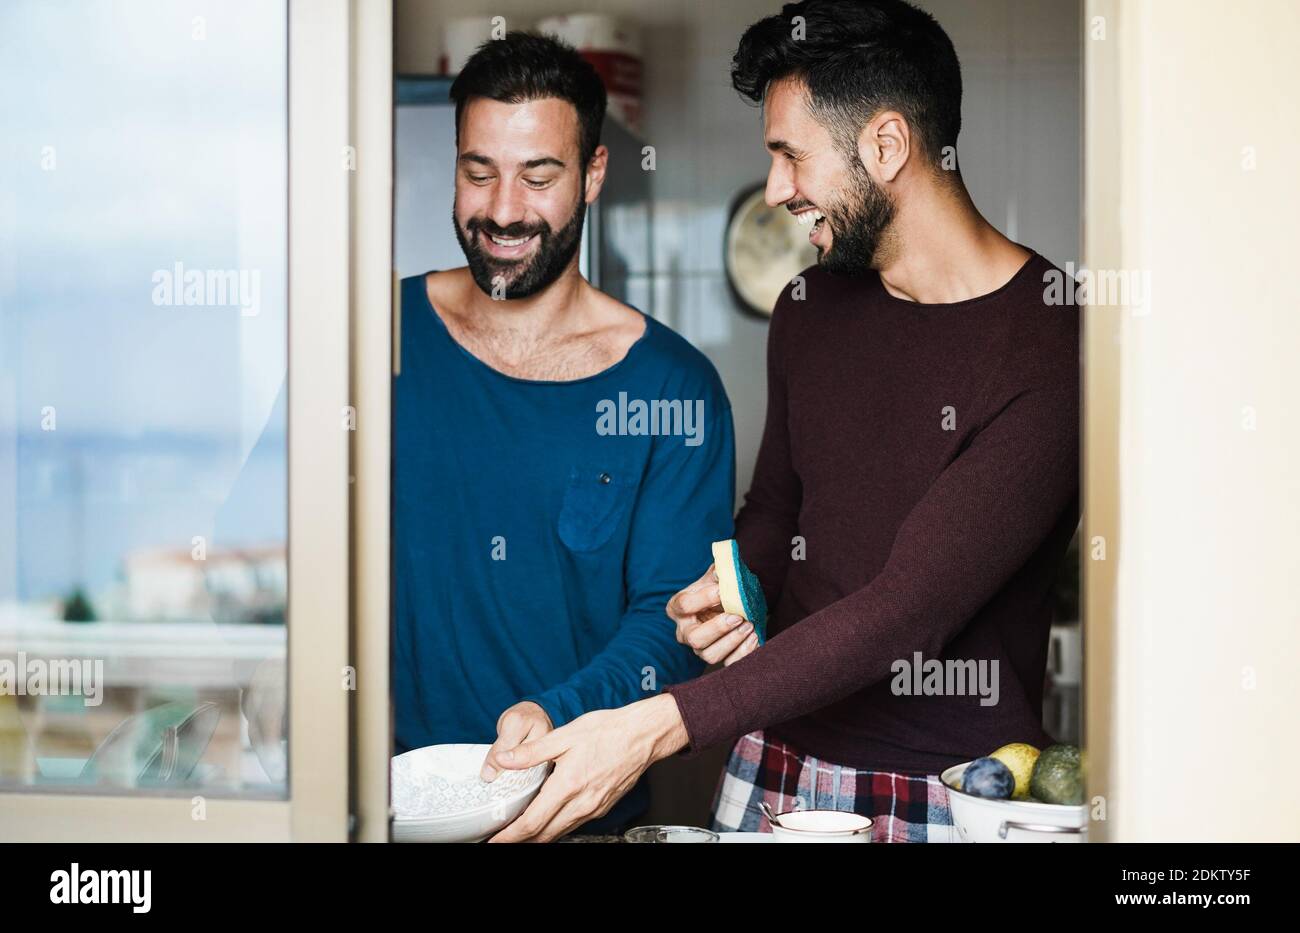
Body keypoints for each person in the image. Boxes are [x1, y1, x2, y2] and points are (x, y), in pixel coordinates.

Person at [490, 0, 1078, 843]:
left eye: (789, 155)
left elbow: (910, 611)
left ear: (886, 145)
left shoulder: (1052, 342)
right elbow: (777, 512)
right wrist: (736, 587)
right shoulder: (809, 303)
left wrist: (659, 723)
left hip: (945, 795)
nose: (775, 190)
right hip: (776, 769)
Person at [394, 31, 735, 832]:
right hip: (374, 811)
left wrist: (556, 712)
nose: (503, 210)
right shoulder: (373, 335)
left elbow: (671, 620)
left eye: (538, 176)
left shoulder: (674, 389)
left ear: (592, 176)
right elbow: (279, 558)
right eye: (479, 172)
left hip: (575, 818)